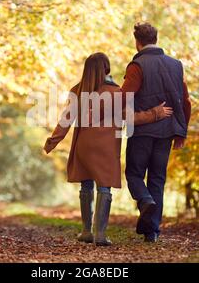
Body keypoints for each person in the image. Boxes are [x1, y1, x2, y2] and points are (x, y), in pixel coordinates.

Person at [44, 52, 172, 246]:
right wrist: (155, 113)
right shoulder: (116, 93)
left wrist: (52, 141)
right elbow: (131, 118)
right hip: (106, 147)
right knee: (104, 187)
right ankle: (100, 234)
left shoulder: (78, 90)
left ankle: (86, 231)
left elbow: (65, 120)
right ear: (107, 69)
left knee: (86, 185)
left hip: (84, 146)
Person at [122, 23, 192, 242]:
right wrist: (181, 132)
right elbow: (186, 101)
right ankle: (151, 232)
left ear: (137, 41)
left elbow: (123, 97)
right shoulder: (176, 65)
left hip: (142, 131)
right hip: (167, 132)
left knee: (133, 174)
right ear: (156, 38)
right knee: (157, 180)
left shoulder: (137, 66)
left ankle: (144, 201)